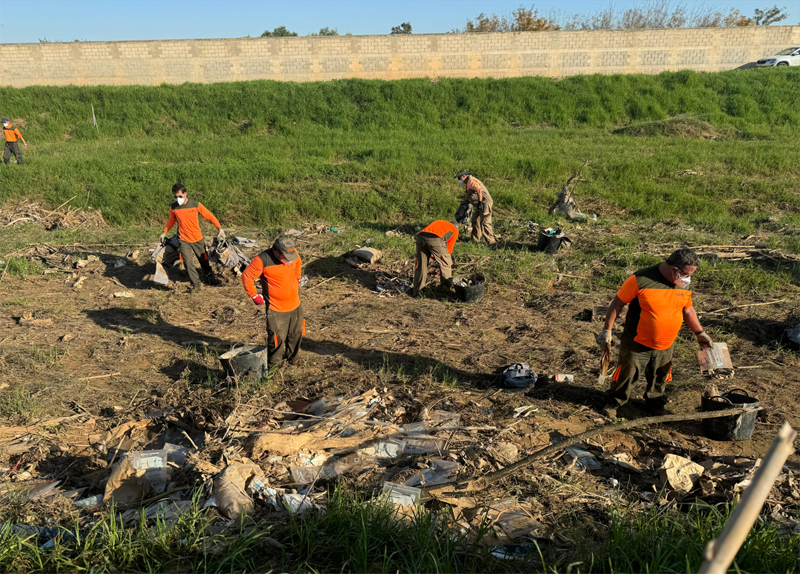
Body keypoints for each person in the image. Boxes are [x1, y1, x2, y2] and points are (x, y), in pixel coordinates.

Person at [596, 248, 713, 418]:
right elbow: (617, 304)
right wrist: (607, 330)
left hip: (666, 344)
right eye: (686, 274)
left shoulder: (681, 284)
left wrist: (700, 333)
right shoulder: (640, 280)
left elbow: (688, 310)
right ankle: (615, 402)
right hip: (637, 342)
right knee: (627, 374)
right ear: (674, 270)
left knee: (660, 376)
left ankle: (655, 404)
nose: (688, 279)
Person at [241, 237, 305, 368]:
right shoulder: (262, 260)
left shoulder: (292, 253)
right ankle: (273, 365)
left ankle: (292, 359)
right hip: (276, 309)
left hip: (295, 304)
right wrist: (254, 295)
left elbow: (298, 262)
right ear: (276, 252)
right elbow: (246, 276)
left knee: (296, 334)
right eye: (285, 257)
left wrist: (297, 277)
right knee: (277, 339)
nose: (289, 260)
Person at [159, 183, 224, 291]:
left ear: (185, 194)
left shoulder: (195, 204)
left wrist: (220, 229)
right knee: (188, 263)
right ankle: (196, 284)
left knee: (204, 261)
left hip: (197, 239)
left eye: (180, 196)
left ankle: (209, 279)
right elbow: (171, 220)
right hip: (183, 240)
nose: (178, 199)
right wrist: (164, 232)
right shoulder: (174, 207)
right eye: (175, 197)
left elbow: (209, 216)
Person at [413, 220, 458, 294]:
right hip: (435, 238)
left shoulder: (440, 222)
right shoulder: (454, 229)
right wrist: (442, 258)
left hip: (421, 237)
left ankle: (417, 291)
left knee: (421, 265)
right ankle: (445, 290)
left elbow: (427, 239)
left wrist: (434, 255)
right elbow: (449, 249)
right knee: (446, 263)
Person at [456, 170, 495, 245]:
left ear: (464, 176)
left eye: (459, 178)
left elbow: (479, 190)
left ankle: (491, 242)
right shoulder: (468, 182)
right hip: (479, 205)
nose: (459, 180)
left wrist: (480, 202)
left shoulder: (471, 181)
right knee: (475, 220)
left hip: (485, 203)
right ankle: (475, 239)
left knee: (485, 222)